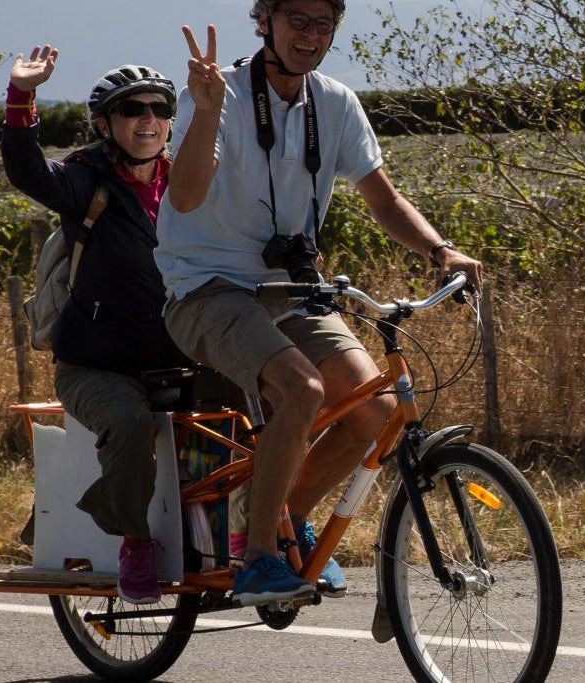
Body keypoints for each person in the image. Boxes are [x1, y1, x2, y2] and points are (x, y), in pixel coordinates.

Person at [154, 0, 484, 607]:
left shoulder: (334, 103)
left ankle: (286, 526)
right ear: (265, 22)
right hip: (208, 288)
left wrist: (442, 251)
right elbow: (187, 194)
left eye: (323, 23)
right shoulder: (214, 93)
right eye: (297, 20)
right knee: (302, 390)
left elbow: (382, 201)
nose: (310, 34)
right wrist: (203, 115)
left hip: (293, 288)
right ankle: (254, 558)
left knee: (375, 410)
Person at [1, 45, 189, 604]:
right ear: (106, 125)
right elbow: (27, 170)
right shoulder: (87, 179)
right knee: (130, 425)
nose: (149, 120)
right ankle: (132, 539)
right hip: (93, 365)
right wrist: (21, 97)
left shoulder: (191, 182)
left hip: (176, 353)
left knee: (264, 401)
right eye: (133, 110)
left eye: (159, 108)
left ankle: (255, 535)